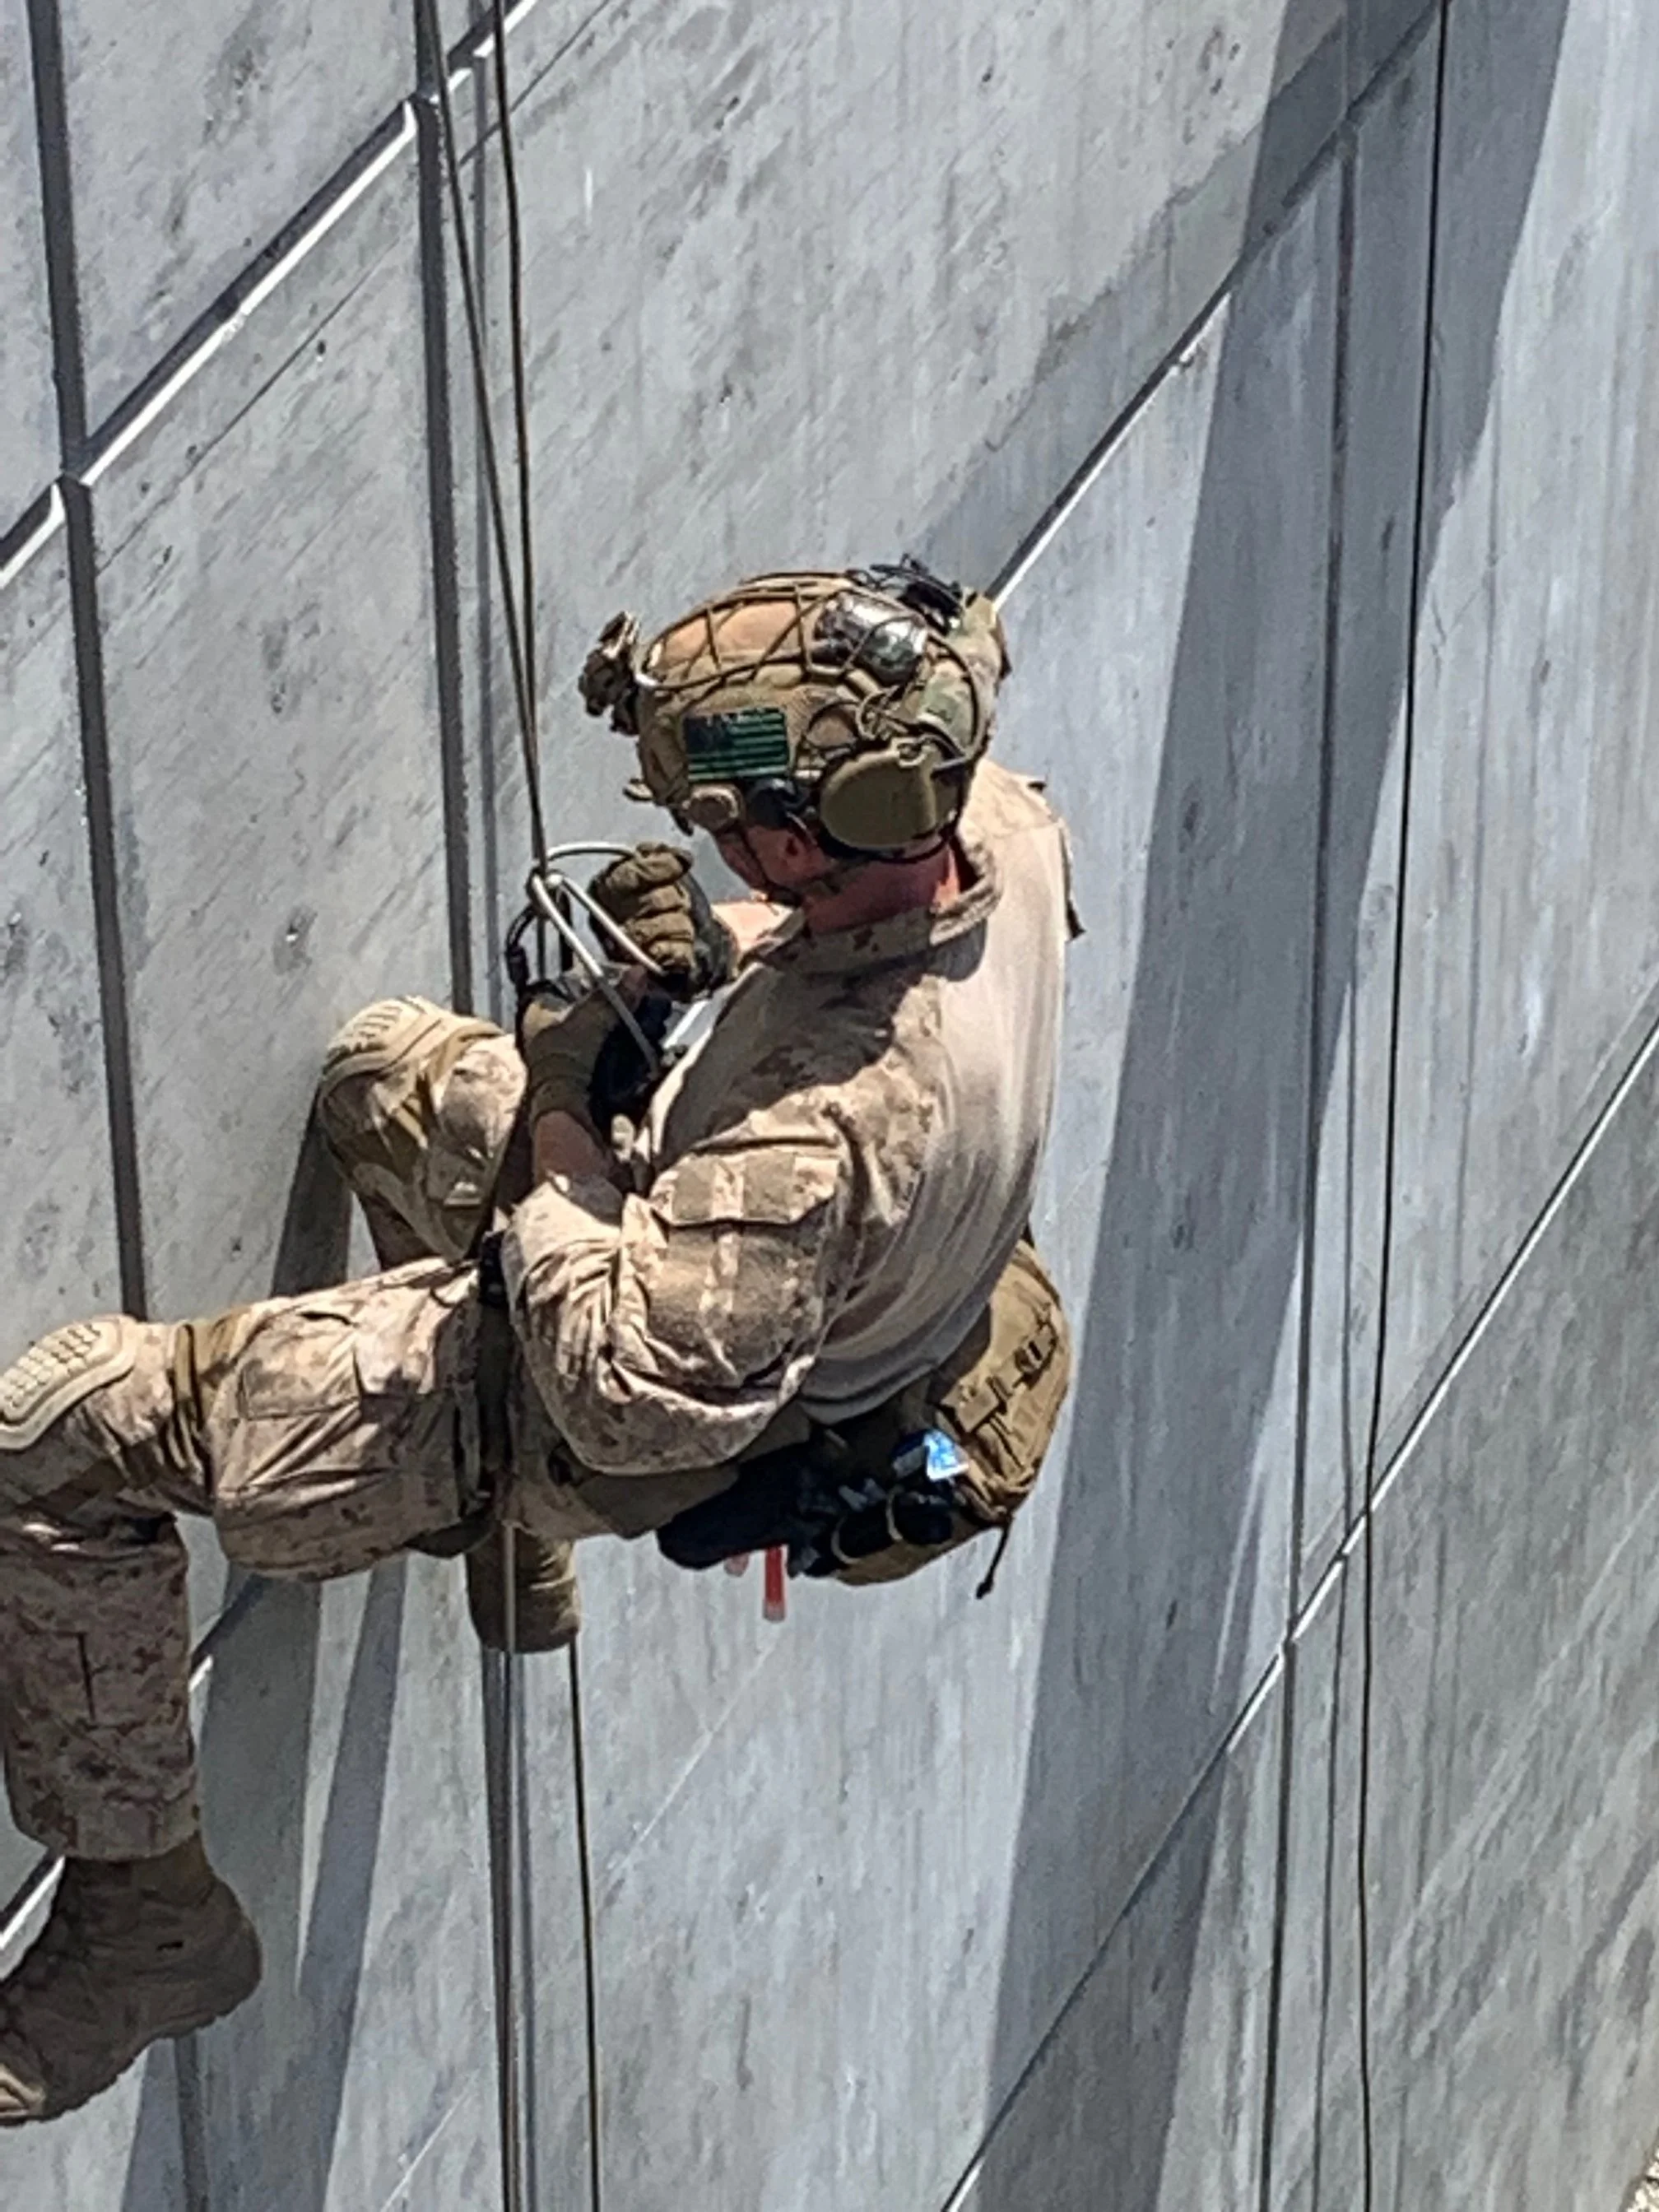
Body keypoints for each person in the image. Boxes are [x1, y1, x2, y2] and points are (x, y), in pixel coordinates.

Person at [0, 563, 1075, 2122]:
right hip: (793, 1286)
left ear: (802, 830)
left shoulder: (822, 1131)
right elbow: (843, 978)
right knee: (386, 1081)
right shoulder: (1006, 832)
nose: (711, 833)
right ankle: (492, 1537)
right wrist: (713, 954)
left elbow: (622, 1391)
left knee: (62, 1435)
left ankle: (148, 1924)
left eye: (731, 817)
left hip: (631, 1394)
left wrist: (571, 1099)